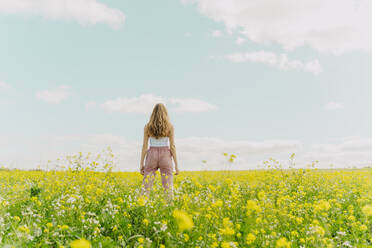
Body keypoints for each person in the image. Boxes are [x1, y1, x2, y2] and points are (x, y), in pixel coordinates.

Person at [140, 103, 179, 196]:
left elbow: (144, 146)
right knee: (168, 185)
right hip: (165, 154)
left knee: (146, 185)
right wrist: (177, 165)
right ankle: (169, 206)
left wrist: (141, 163)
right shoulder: (170, 126)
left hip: (151, 154)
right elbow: (172, 146)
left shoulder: (147, 127)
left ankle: (143, 203)